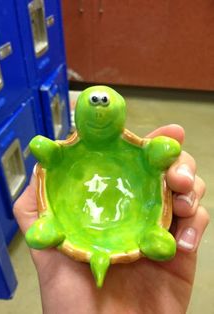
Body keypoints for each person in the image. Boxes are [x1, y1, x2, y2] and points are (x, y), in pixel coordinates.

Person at [14, 124, 209, 314]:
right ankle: (52, 229)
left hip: (142, 246)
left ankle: (152, 237)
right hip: (68, 235)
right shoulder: (62, 155)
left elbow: (169, 150)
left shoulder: (138, 155)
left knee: (163, 241)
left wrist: (158, 154)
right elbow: (42, 148)